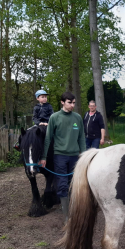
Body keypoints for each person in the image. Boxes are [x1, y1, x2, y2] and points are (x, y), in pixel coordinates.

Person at [39, 92, 86, 222]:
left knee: (74, 183)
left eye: (74, 103)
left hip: (75, 156)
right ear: (62, 102)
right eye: (70, 102)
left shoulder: (77, 118)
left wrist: (84, 155)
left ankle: (74, 210)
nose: (72, 105)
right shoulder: (54, 117)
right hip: (60, 156)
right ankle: (67, 216)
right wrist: (43, 157)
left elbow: (81, 137)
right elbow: (48, 138)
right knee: (62, 185)